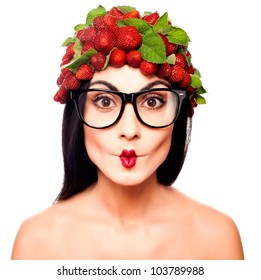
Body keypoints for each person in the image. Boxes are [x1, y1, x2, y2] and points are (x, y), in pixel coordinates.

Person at [11, 5, 244, 260]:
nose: (130, 131)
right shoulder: (37, 242)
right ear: (78, 113)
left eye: (153, 101)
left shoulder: (217, 238)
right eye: (105, 101)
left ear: (179, 114)